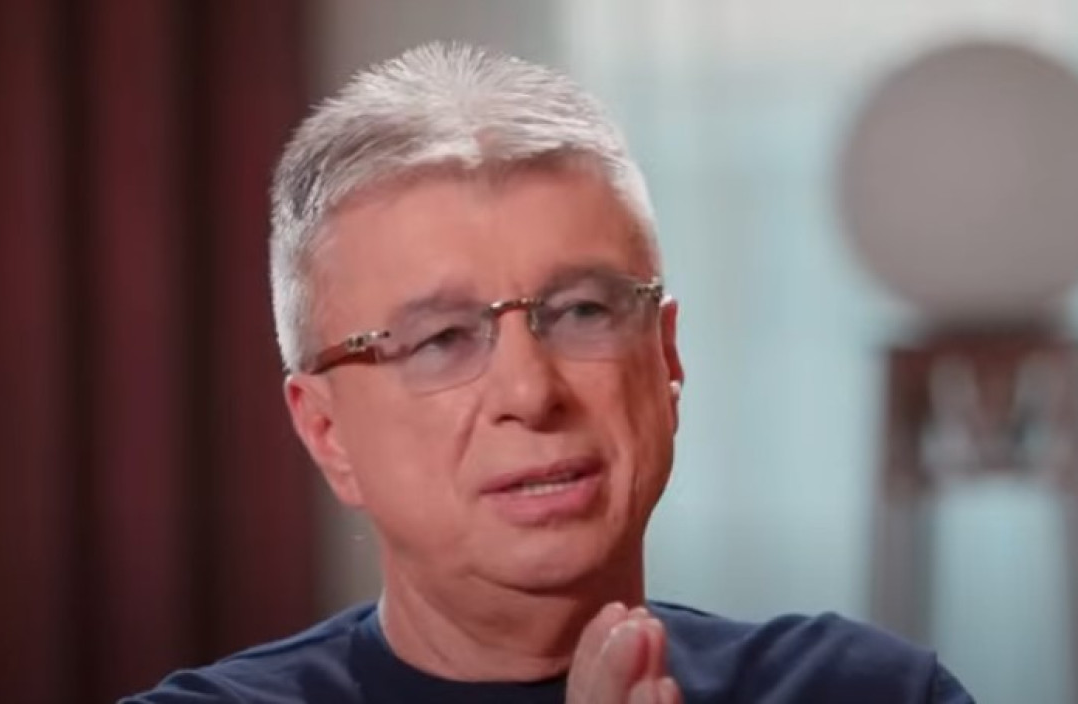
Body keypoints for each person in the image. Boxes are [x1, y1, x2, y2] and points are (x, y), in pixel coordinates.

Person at [124, 43, 973, 704]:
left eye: (583, 312)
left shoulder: (873, 692)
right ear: (326, 431)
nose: (532, 393)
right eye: (442, 339)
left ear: (667, 359)